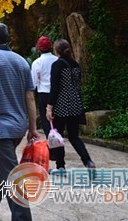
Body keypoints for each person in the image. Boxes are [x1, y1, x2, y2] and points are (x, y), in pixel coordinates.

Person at [0, 22, 39, 221]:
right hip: (18, 127)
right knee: (3, 168)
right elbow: (30, 97)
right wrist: (33, 128)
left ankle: (22, 217)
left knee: (12, 175)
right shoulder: (22, 61)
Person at [46, 39, 96, 171]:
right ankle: (88, 161)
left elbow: (55, 88)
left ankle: (60, 166)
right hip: (75, 104)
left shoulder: (57, 65)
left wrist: (49, 107)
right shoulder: (75, 65)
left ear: (56, 51)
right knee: (74, 136)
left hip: (61, 105)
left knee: (58, 136)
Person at [31, 36, 58, 138]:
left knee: (46, 121)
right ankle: (58, 141)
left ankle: (51, 142)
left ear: (39, 48)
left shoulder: (37, 63)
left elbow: (34, 82)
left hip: (44, 94)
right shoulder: (57, 60)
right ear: (51, 47)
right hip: (57, 94)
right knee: (57, 120)